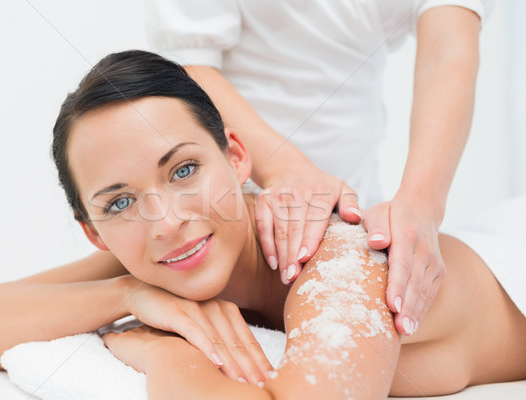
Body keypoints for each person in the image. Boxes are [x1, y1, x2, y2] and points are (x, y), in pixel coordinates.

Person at [0, 51, 525, 399]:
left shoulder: (339, 257)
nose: (166, 220)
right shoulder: (158, 251)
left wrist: (161, 354)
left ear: (238, 159)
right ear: (93, 232)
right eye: (117, 203)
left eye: (184, 169)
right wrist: (131, 295)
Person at [145, 0, 496, 336]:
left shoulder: (353, 276)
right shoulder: (172, 236)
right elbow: (191, 64)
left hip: (352, 217)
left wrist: (421, 206)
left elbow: (448, 53)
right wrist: (285, 171)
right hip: (242, 202)